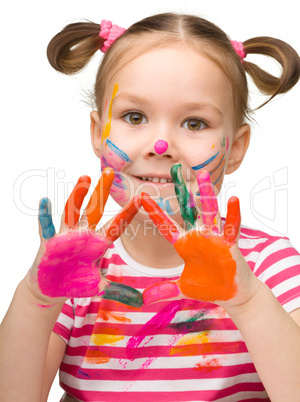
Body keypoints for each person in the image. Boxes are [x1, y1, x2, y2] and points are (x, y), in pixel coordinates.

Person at [1, 12, 300, 402]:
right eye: (134, 116)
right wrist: (36, 300)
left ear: (237, 148)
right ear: (97, 132)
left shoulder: (268, 266)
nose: (160, 145)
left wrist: (248, 301)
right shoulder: (75, 276)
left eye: (194, 123)